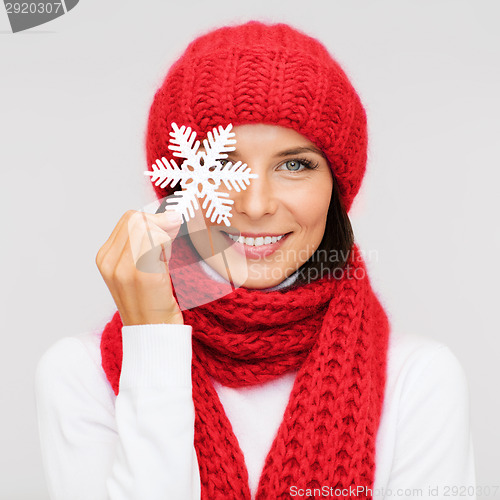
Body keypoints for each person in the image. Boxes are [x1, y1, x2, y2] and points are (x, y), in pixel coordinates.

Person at [35, 21, 476, 500]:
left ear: (336, 189)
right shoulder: (80, 374)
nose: (255, 204)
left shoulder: (419, 379)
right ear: (176, 188)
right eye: (223, 164)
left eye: (294, 164)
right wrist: (154, 340)